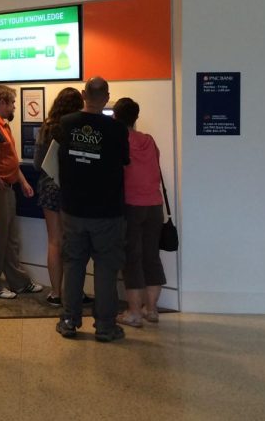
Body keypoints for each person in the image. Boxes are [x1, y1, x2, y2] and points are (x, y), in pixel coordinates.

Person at [55, 77, 130, 343]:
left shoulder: (65, 124)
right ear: (106, 98)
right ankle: (105, 326)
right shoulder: (117, 129)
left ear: (84, 94)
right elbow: (124, 162)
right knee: (106, 268)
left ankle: (69, 320)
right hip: (107, 211)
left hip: (73, 208)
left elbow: (56, 160)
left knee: (73, 264)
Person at [33, 87, 93, 308]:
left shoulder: (46, 128)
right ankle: (74, 291)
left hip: (49, 187)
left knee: (54, 241)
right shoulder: (79, 126)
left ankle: (56, 293)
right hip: (73, 189)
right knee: (75, 242)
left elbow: (38, 163)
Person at [113, 97, 166, 327]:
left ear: (115, 117)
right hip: (155, 205)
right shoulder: (149, 140)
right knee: (151, 257)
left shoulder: (119, 141)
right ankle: (151, 310)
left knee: (132, 259)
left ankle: (133, 312)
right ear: (136, 117)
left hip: (131, 206)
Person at [0, 84, 43, 299]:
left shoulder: (3, 126)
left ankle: (18, 281)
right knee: (0, 239)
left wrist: (23, 181)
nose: (14, 107)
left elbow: (9, 158)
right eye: (12, 103)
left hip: (8, 187)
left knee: (11, 238)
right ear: (2, 102)